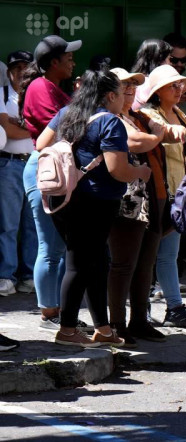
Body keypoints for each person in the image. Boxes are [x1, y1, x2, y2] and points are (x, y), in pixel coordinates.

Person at [50, 69, 151, 347]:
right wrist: (140, 171)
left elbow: (44, 144)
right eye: (121, 93)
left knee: (97, 263)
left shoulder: (67, 113)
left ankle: (103, 329)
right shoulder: (109, 121)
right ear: (109, 96)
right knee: (79, 265)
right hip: (94, 202)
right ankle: (67, 330)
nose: (125, 99)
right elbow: (119, 170)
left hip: (64, 197)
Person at [104, 67, 175, 346]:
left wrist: (158, 133)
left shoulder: (138, 116)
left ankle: (139, 321)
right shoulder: (110, 119)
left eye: (134, 86)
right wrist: (156, 135)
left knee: (145, 262)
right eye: (125, 86)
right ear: (111, 92)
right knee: (124, 264)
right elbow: (135, 142)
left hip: (154, 194)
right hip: (127, 199)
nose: (131, 90)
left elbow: (167, 132)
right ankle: (117, 325)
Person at [20, 35, 85, 331]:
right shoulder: (40, 86)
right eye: (68, 58)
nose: (73, 62)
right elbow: (63, 132)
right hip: (46, 170)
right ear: (53, 62)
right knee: (50, 247)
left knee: (58, 247)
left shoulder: (53, 87)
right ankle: (49, 312)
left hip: (58, 169)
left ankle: (59, 309)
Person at [140, 65, 186, 332]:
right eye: (173, 85)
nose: (179, 89)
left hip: (178, 191)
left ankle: (175, 308)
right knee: (148, 253)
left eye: (180, 85)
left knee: (169, 254)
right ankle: (142, 309)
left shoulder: (179, 112)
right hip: (158, 191)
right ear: (157, 91)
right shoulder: (148, 115)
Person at [0, 50, 36, 297]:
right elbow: (8, 131)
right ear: (9, 71)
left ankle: (29, 276)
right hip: (9, 164)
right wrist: (33, 128)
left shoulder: (36, 96)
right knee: (8, 224)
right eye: (17, 68)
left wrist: (21, 125)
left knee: (32, 224)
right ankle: (6, 275)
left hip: (34, 163)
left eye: (25, 67)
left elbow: (49, 127)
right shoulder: (2, 94)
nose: (21, 72)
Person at [130, 39, 172, 110]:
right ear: (159, 60)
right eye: (169, 59)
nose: (170, 63)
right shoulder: (150, 84)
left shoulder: (136, 81)